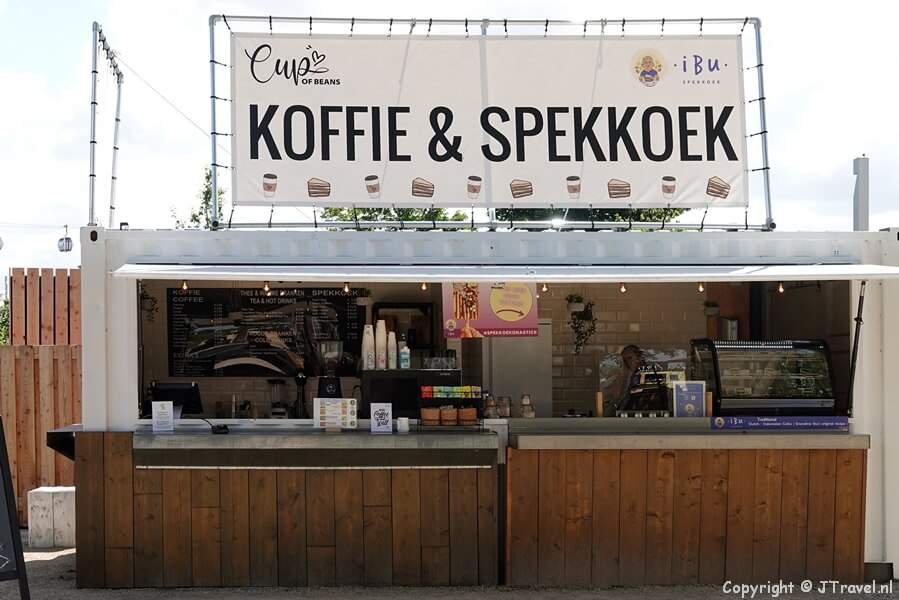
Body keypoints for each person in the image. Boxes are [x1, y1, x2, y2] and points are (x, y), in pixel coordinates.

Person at [601, 344, 647, 416]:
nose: (627, 362)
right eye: (625, 360)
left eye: (630, 358)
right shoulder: (629, 376)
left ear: (638, 359)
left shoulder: (644, 374)